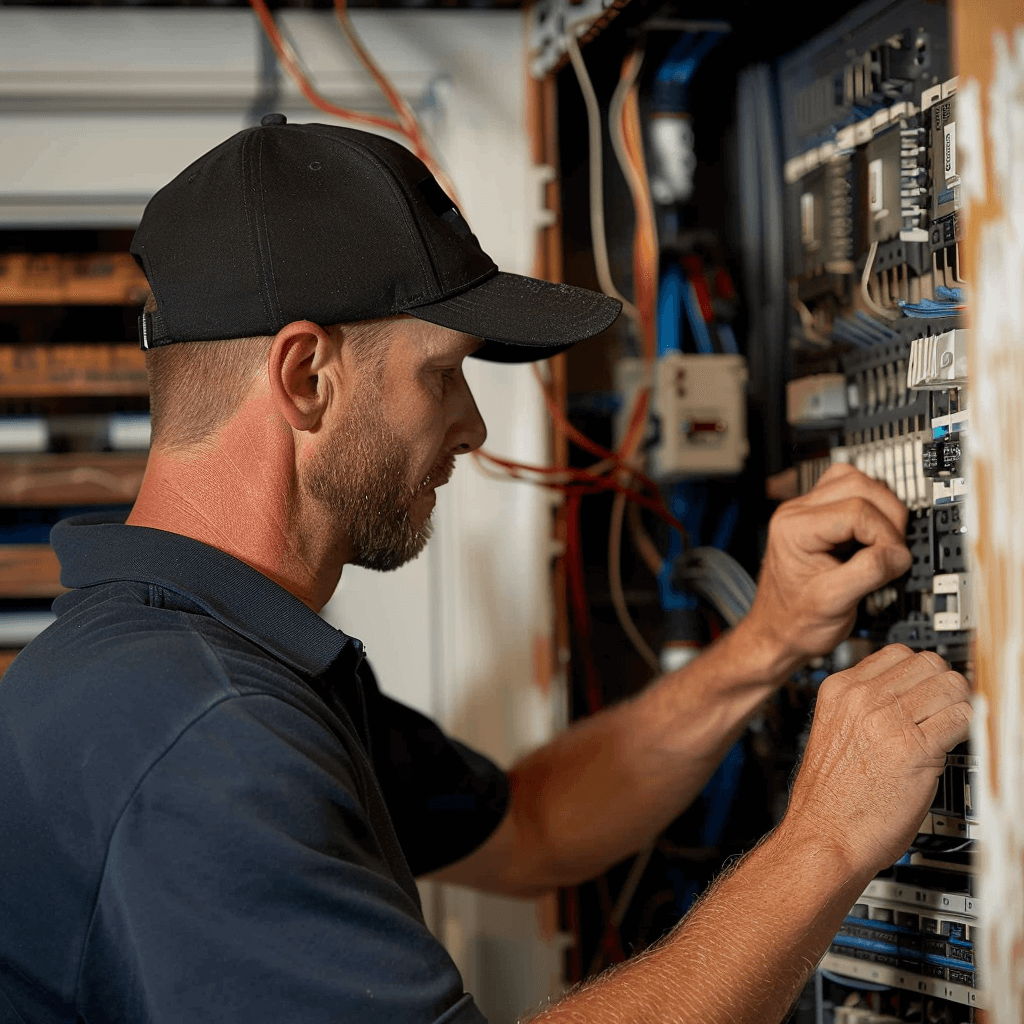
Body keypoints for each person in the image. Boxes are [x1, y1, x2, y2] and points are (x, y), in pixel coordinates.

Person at [0, 116, 971, 1024]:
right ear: (305, 378)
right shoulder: (203, 735)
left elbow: (535, 826)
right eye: (441, 372)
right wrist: (825, 840)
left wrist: (769, 641)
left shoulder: (203, 661)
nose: (469, 426)